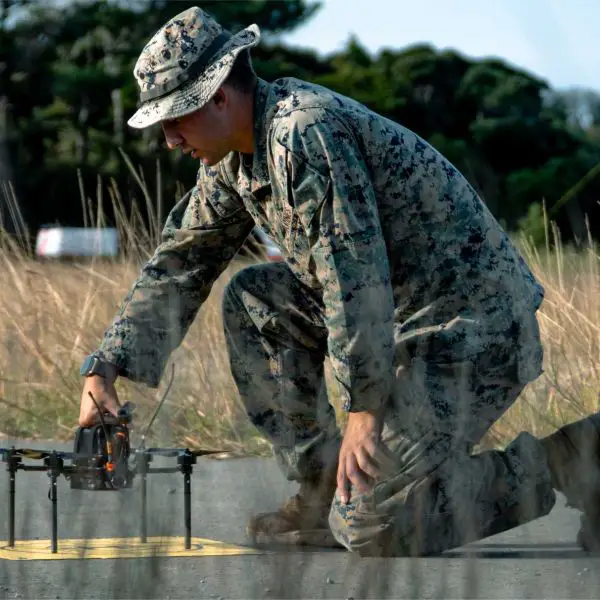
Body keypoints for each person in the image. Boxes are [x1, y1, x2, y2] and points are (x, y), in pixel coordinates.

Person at [78, 6, 600, 556]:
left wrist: (364, 410)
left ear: (217, 98)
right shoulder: (234, 159)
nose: (169, 140)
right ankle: (323, 483)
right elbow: (179, 264)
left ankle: (575, 459)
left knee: (370, 524)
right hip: (403, 328)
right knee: (256, 300)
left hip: (472, 332)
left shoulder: (303, 132)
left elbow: (355, 277)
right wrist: (105, 366)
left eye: (173, 120)